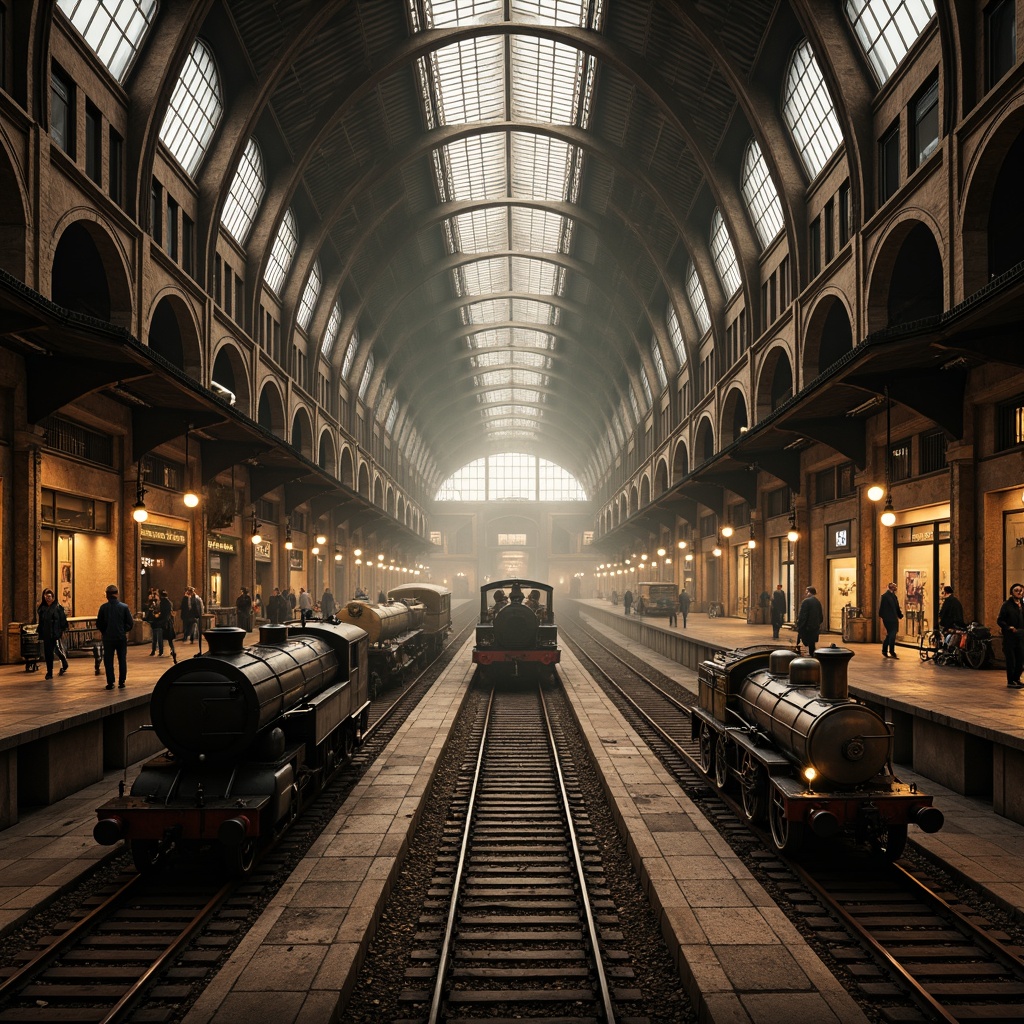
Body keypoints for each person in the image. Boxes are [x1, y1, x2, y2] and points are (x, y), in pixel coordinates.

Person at [97, 584, 133, 690]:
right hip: (121, 638)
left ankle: (110, 682)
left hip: (108, 638)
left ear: (107, 595)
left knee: (108, 660)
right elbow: (130, 623)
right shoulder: (124, 607)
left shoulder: (103, 608)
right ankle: (122, 681)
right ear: (117, 594)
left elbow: (99, 623)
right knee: (122, 659)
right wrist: (123, 630)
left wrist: (105, 631)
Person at [37, 587, 69, 680]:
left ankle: (63, 661)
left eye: (49, 597)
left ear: (53, 597)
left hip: (56, 632)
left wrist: (63, 630)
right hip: (46, 633)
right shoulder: (42, 609)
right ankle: (49, 672)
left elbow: (62, 620)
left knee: (56, 649)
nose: (48, 598)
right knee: (48, 653)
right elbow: (41, 622)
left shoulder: (58, 608)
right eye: (46, 597)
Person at [997, 583, 1024, 689]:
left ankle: (1017, 678)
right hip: (1010, 635)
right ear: (1012, 592)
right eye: (1016, 590)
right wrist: (1008, 627)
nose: (1019, 592)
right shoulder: (1007, 605)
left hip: (1021, 635)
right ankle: (1011, 680)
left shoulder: (1022, 605)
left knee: (1021, 658)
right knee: (1011, 659)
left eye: (1021, 590)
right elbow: (1000, 620)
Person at [878, 581, 904, 659]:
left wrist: (900, 615)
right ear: (891, 588)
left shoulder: (894, 596)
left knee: (890, 634)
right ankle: (891, 651)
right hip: (888, 619)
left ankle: (884, 650)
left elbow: (897, 607)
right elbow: (881, 608)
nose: (896, 588)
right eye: (894, 586)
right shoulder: (885, 596)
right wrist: (883, 616)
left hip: (893, 618)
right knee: (892, 634)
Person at [796, 586, 823, 657]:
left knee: (805, 641)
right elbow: (820, 615)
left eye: (806, 592)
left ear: (809, 592)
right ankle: (812, 653)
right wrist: (818, 623)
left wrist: (799, 625)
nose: (805, 593)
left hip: (807, 627)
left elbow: (802, 615)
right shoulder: (817, 602)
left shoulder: (806, 601)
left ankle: (811, 655)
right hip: (815, 626)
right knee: (812, 642)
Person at [158, 590, 178, 663]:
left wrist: (161, 620)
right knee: (170, 640)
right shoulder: (169, 602)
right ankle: (173, 650)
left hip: (165, 623)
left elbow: (164, 614)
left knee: (160, 637)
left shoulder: (163, 603)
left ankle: (161, 651)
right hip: (169, 622)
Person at [145, 587, 163, 657]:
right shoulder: (152, 604)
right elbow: (150, 611)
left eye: (155, 595)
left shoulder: (160, 604)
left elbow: (160, 612)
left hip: (158, 623)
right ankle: (153, 650)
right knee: (154, 638)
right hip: (154, 622)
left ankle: (160, 651)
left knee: (159, 638)